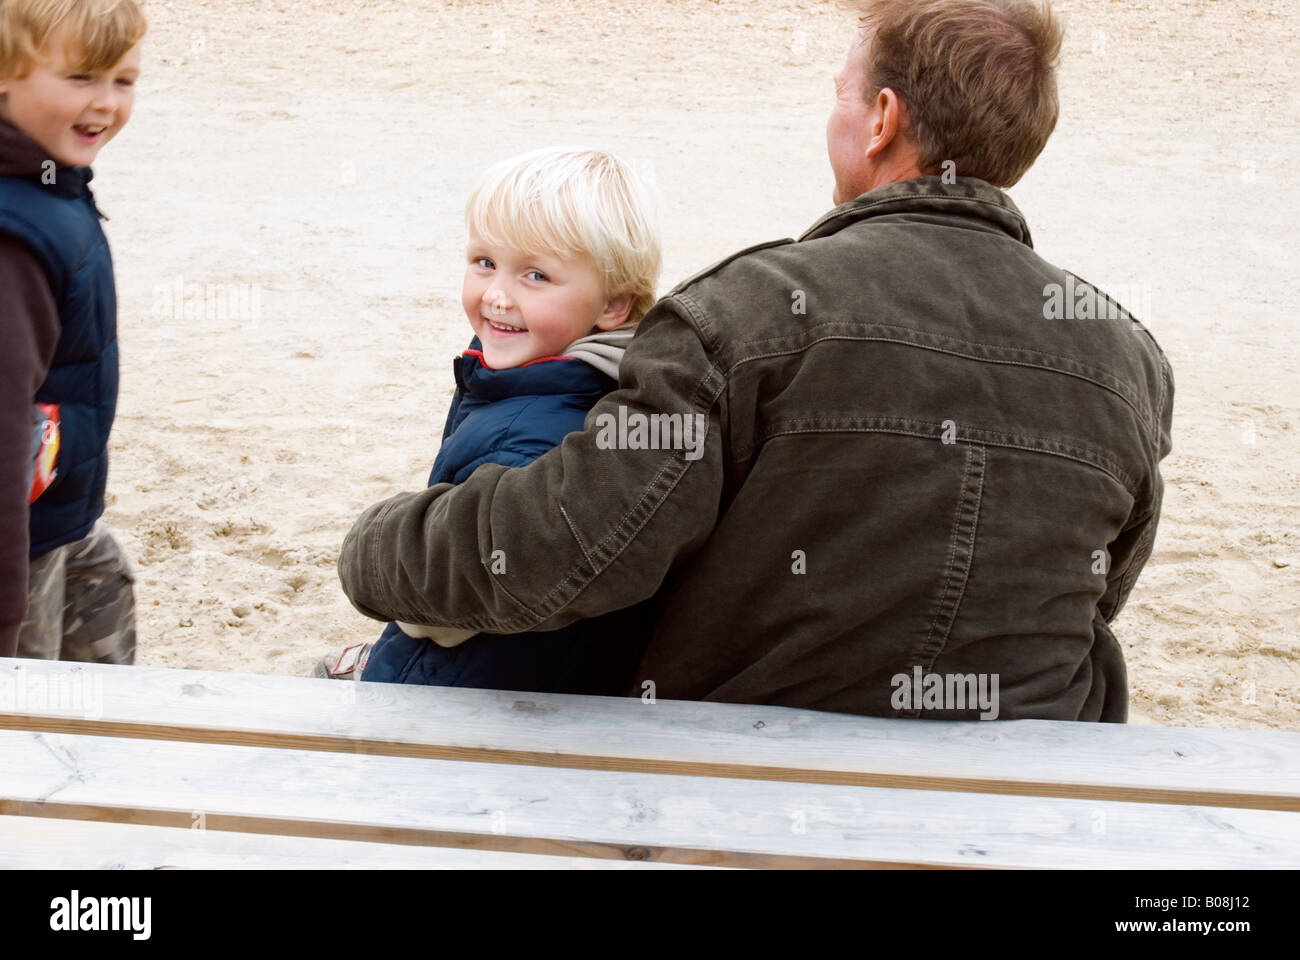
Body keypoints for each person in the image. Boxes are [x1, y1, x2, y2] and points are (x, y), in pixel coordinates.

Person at [338, 0, 1174, 722]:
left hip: (753, 792)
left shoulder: (746, 312)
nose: (834, 115)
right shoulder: (1127, 355)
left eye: (841, 95)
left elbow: (566, 551)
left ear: (881, 120)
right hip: (1034, 793)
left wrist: (377, 547)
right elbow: (1099, 595)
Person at [318, 146, 662, 693]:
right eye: (484, 262)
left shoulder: (541, 433)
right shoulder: (561, 376)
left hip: (475, 685)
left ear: (613, 305)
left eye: (535, 275)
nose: (497, 295)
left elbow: (450, 606)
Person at [0, 0, 145, 662]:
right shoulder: (15, 241)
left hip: (57, 516)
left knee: (102, 582)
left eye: (124, 80)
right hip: (17, 547)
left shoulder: (46, 182)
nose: (106, 105)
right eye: (81, 78)